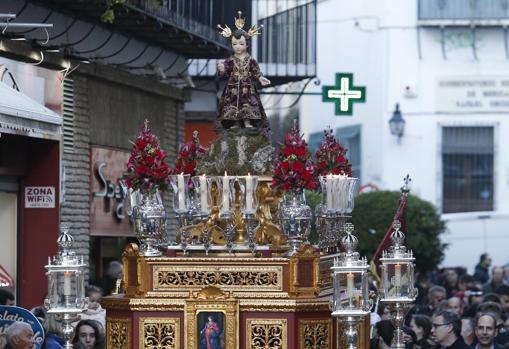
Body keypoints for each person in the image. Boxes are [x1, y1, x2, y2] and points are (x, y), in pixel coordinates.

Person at [216, 13, 270, 130]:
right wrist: (222, 69)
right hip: (233, 87)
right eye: (234, 44)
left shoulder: (251, 60)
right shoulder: (230, 60)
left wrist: (260, 78)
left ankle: (247, 123)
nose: (238, 47)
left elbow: (255, 71)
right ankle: (235, 124)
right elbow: (224, 71)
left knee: (247, 104)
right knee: (233, 104)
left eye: (241, 44)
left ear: (247, 44)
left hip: (247, 86)